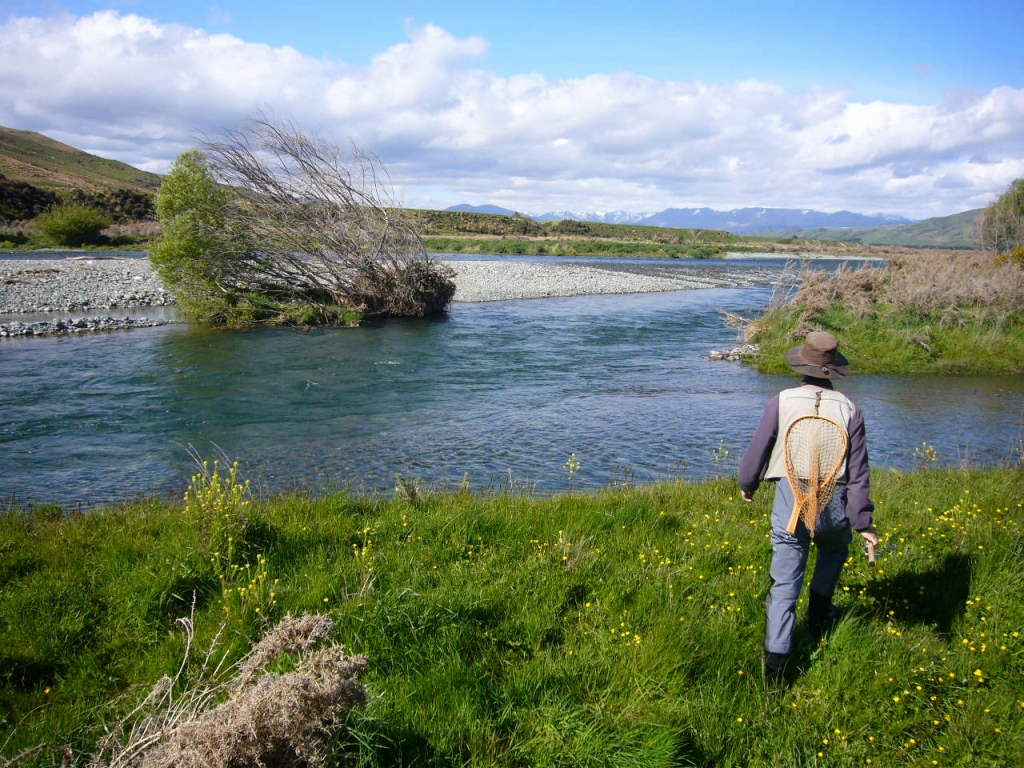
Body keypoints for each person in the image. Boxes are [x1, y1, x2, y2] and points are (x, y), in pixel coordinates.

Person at [737, 331, 879, 685]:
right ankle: (818, 619)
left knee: (786, 577)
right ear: (832, 370)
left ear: (801, 364)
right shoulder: (850, 409)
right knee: (833, 550)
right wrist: (863, 522)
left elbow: (758, 450)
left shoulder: (781, 401)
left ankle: (776, 667)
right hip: (837, 501)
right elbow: (859, 472)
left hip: (791, 502)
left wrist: (747, 484)